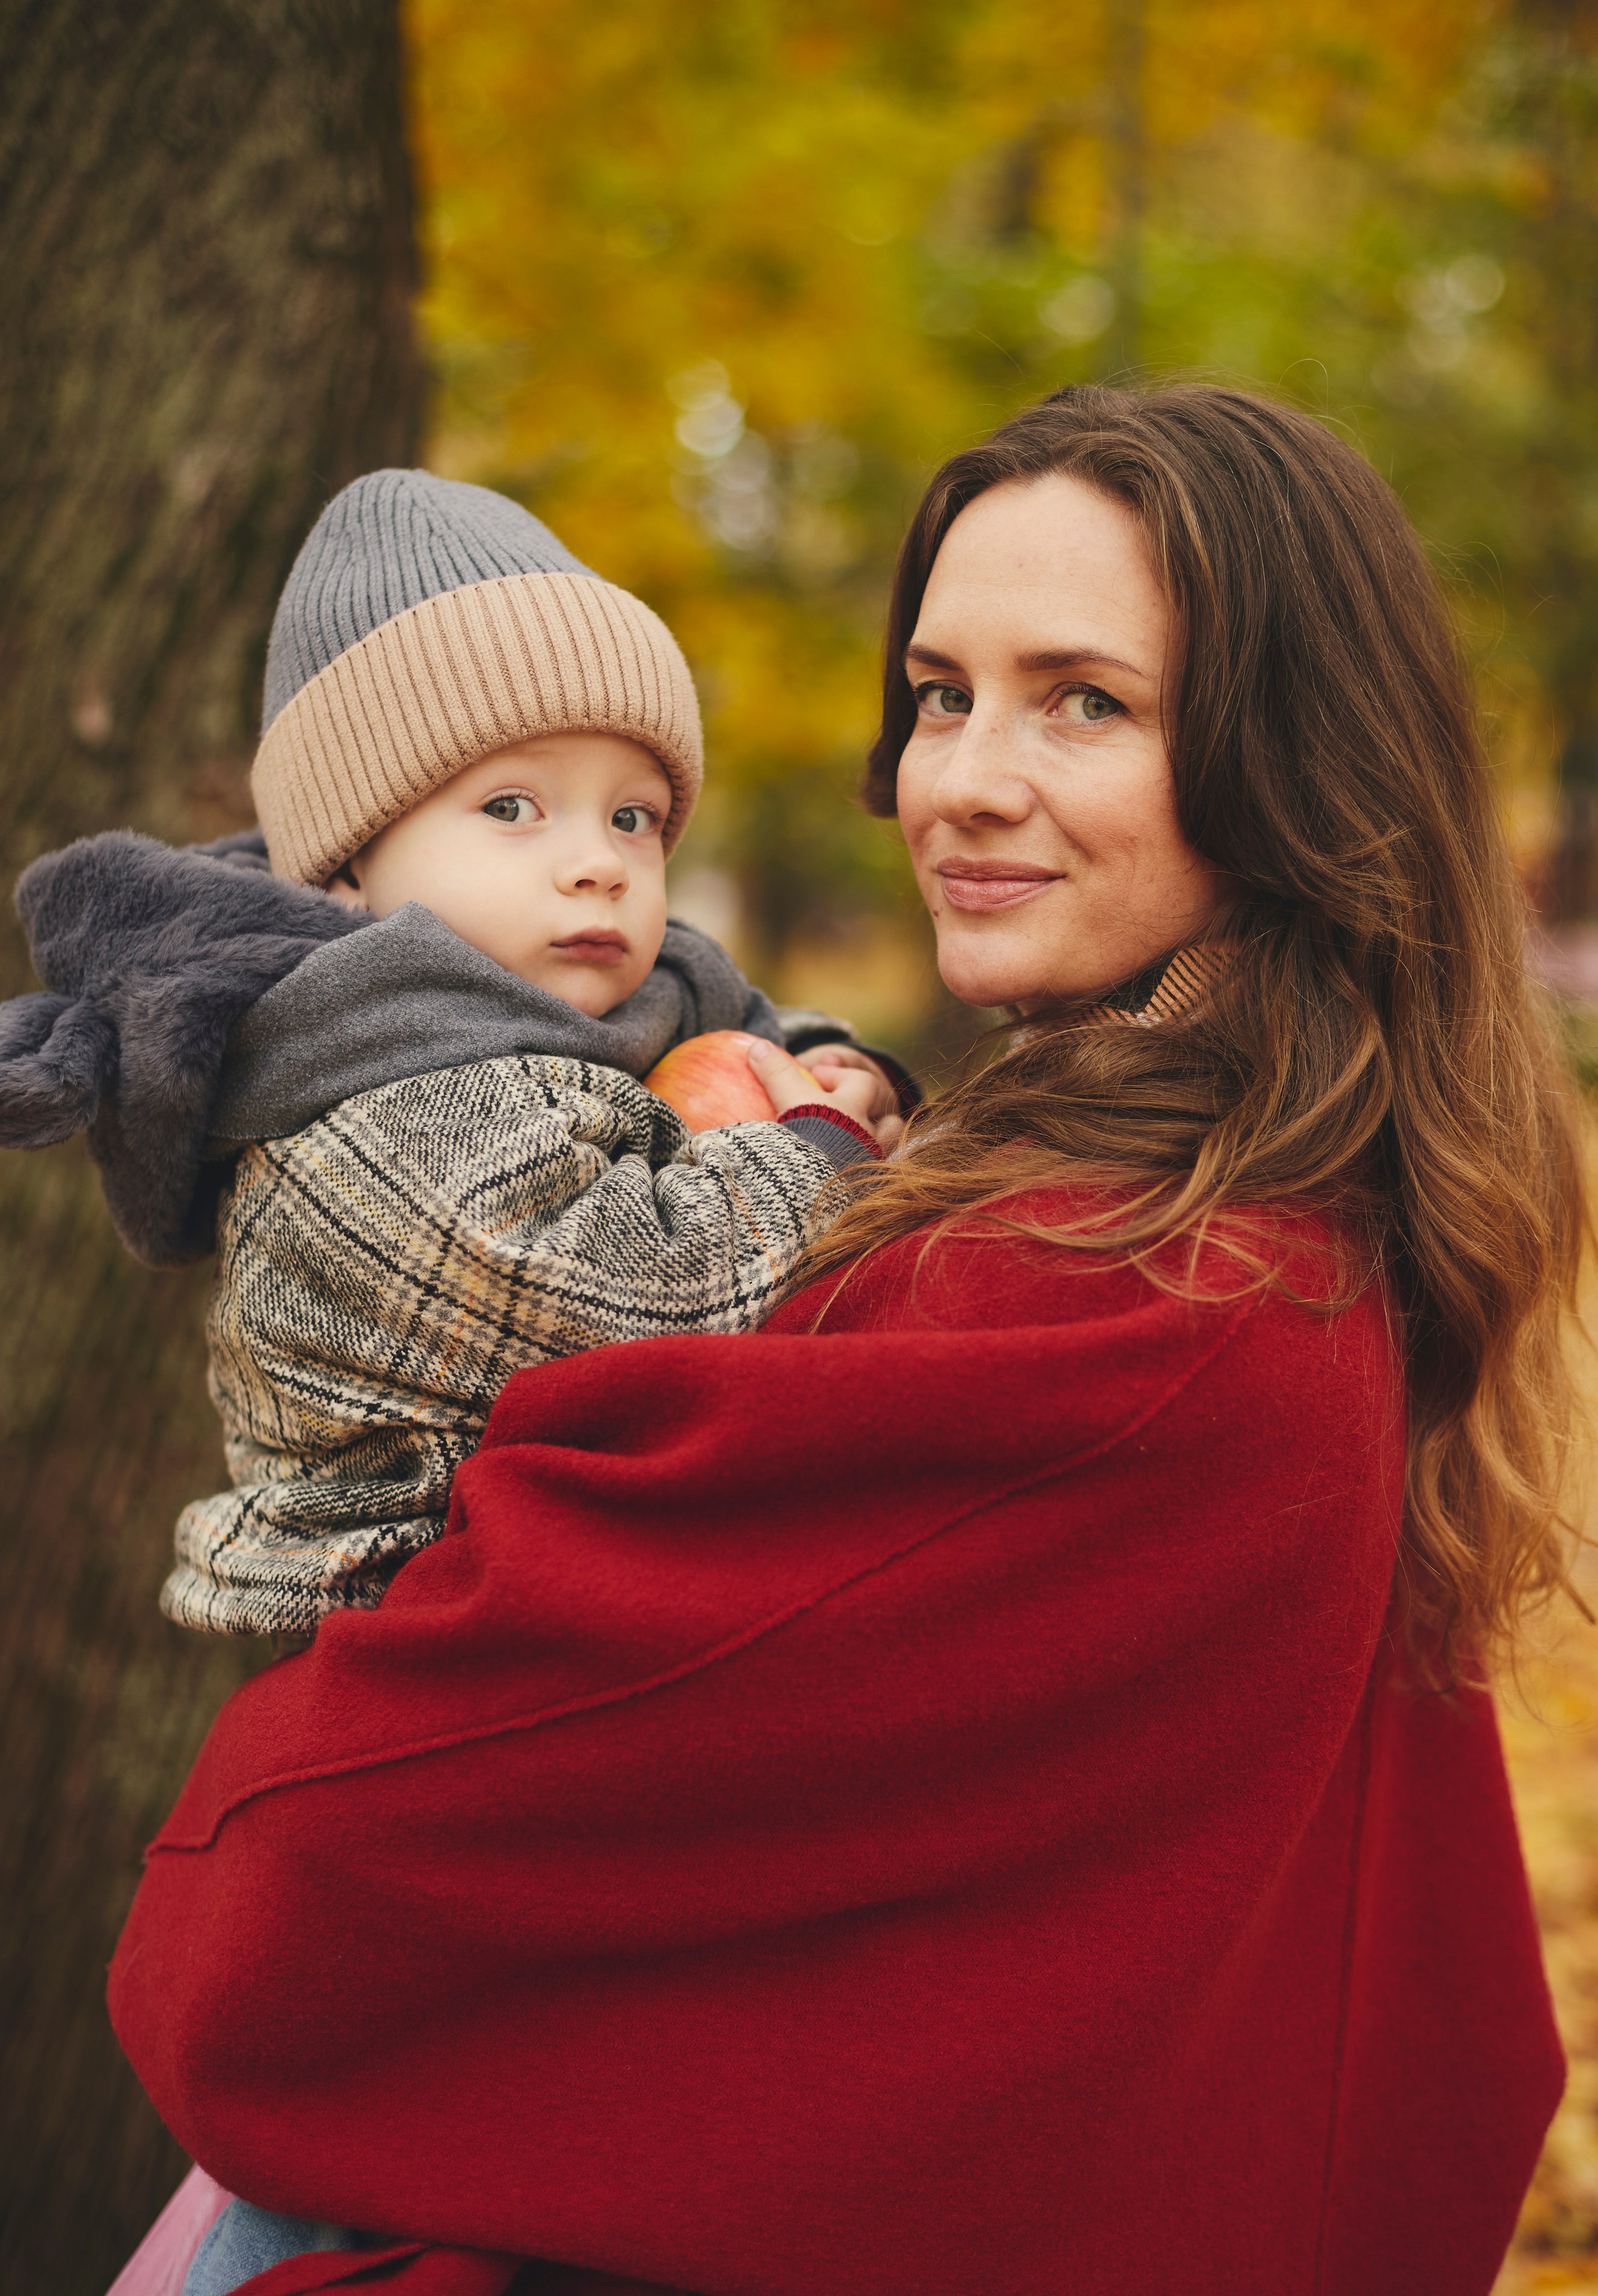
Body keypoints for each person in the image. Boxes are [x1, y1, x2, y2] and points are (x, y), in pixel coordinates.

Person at [106, 385, 1583, 2296]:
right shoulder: (1268, 1206)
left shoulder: (1120, 1294)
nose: (953, 778)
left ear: (1295, 759)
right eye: (942, 691)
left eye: (1086, 701)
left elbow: (302, 1907)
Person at [0, 468, 907, 1643]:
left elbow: (739, 1026)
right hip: (435, 1631)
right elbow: (644, 1306)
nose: (598, 861)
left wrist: (837, 1071)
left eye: (634, 816)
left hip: (605, 1586)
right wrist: (822, 1152)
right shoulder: (372, 1104)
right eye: (513, 808)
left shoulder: (604, 992)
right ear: (351, 865)